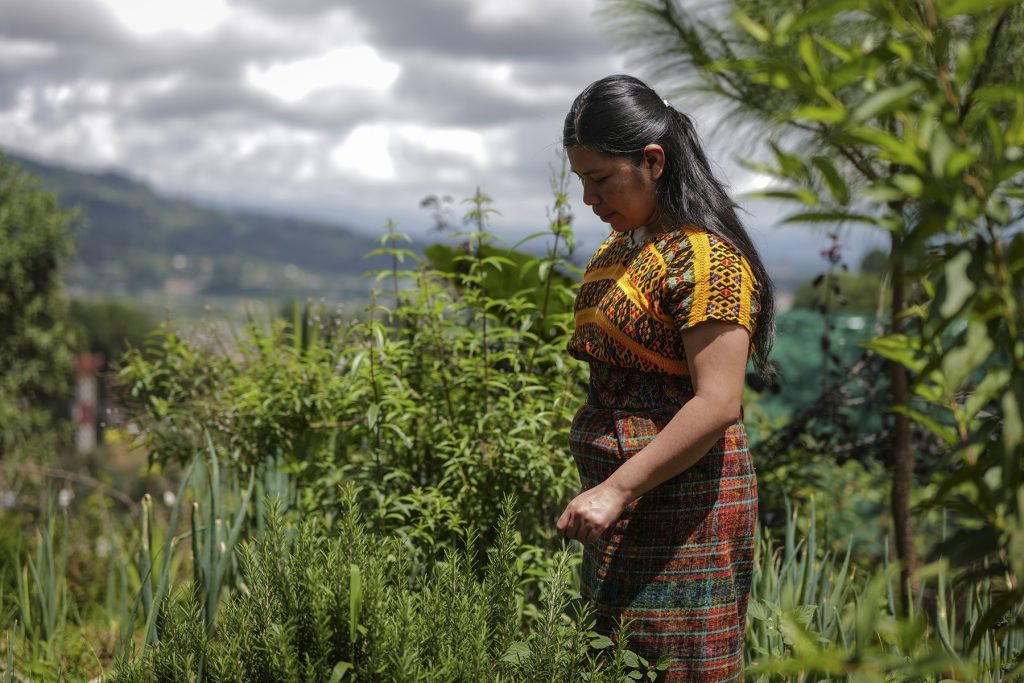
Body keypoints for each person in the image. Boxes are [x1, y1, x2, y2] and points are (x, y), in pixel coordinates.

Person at [556, 74, 775, 682]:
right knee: (614, 661)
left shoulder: (709, 262)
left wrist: (617, 489)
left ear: (652, 161)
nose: (588, 199)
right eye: (581, 181)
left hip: (686, 510)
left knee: (676, 667)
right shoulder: (622, 250)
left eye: (600, 179)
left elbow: (718, 402)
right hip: (621, 506)